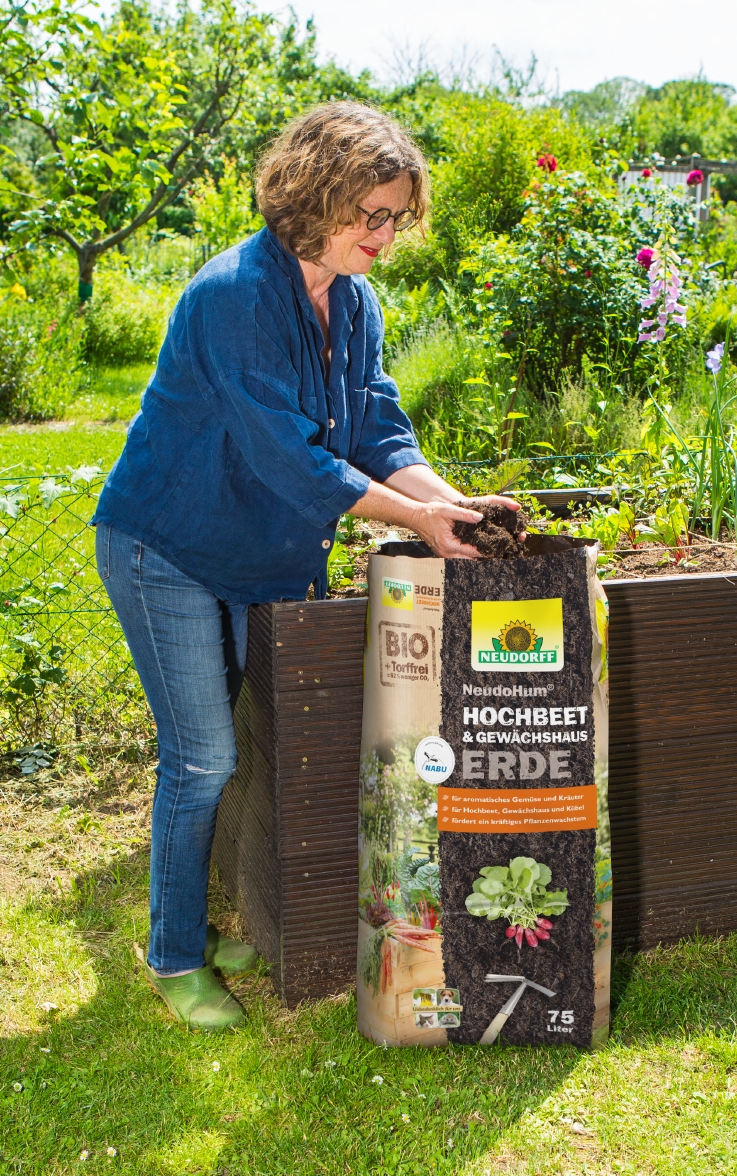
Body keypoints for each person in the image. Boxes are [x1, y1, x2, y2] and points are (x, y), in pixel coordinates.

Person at [92, 101, 515, 1030]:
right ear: (313, 196)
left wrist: (448, 506)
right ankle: (173, 955)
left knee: (237, 745)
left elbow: (376, 430)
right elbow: (295, 458)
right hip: (166, 543)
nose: (386, 235)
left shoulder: (353, 300)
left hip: (256, 550)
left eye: (398, 216)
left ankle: (197, 923)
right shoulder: (234, 295)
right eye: (371, 213)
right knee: (202, 756)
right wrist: (412, 515)